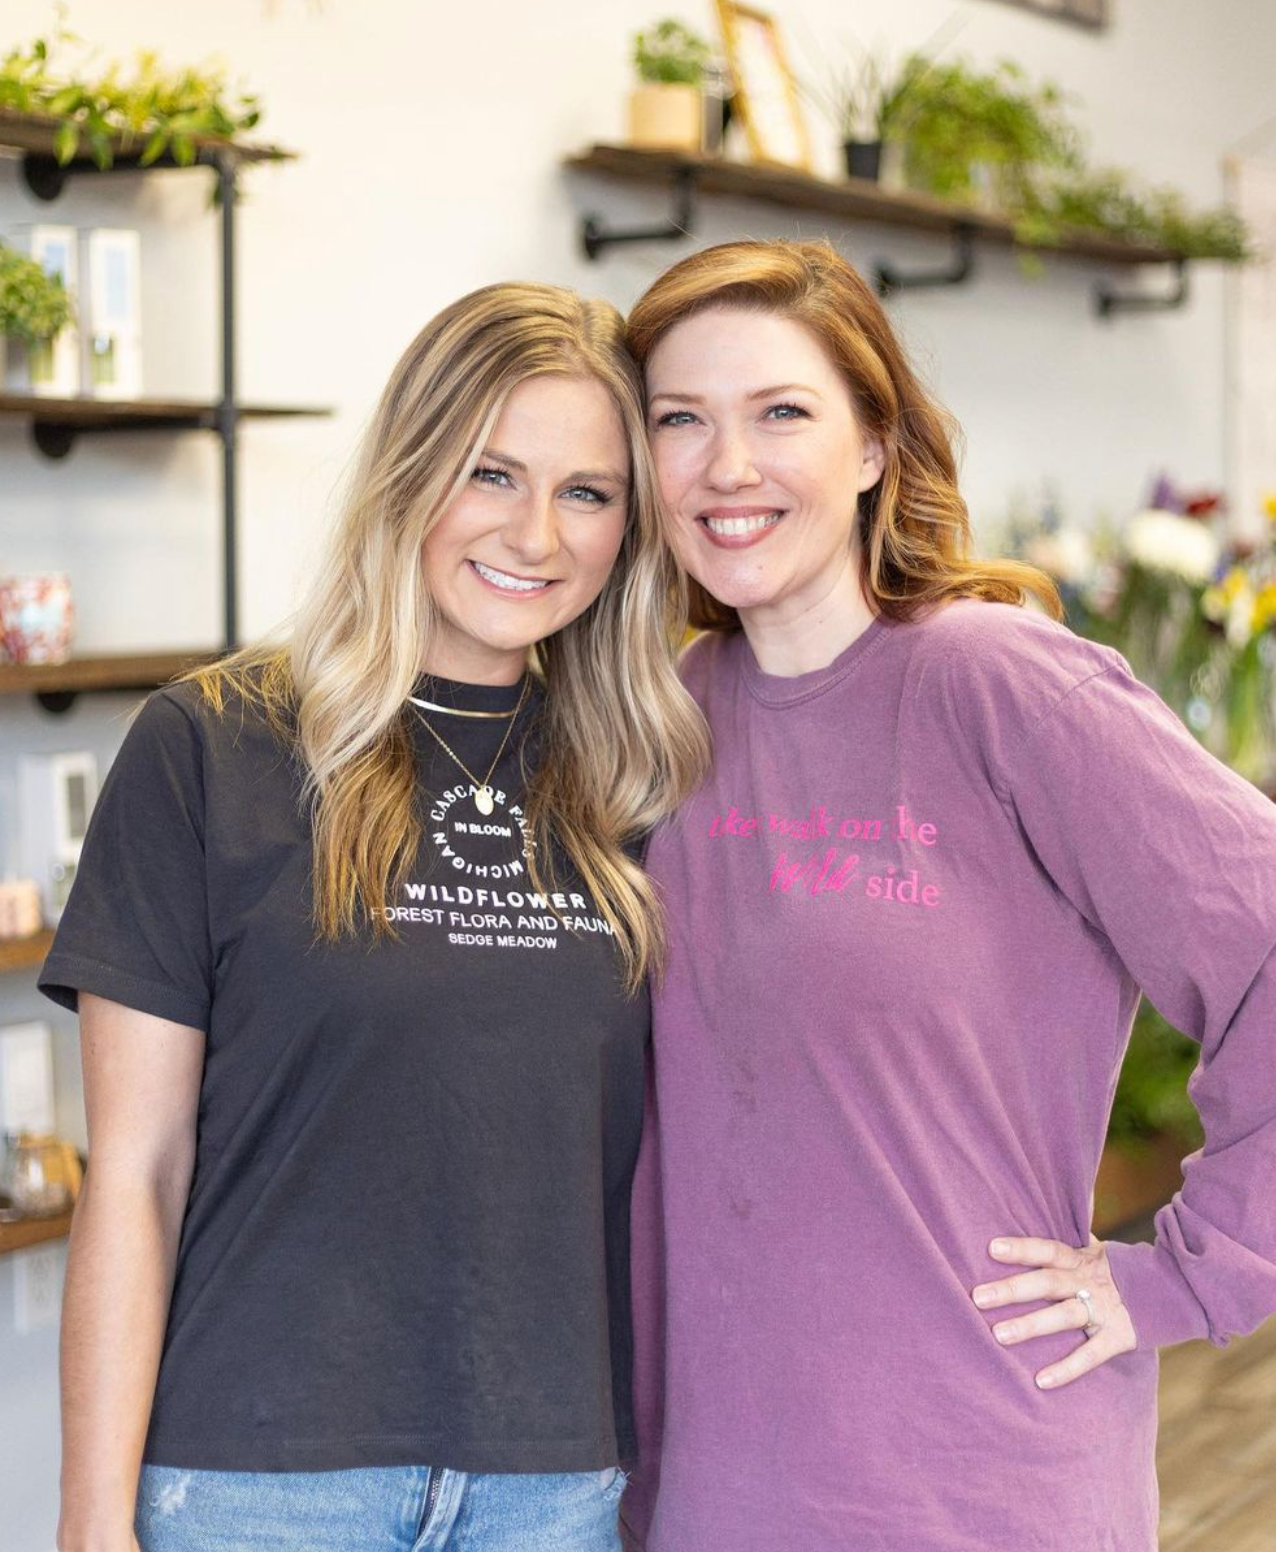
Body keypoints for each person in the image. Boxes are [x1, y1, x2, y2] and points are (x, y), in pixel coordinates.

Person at [618, 239, 1276, 1552]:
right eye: (679, 420)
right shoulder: (661, 723)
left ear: (874, 446)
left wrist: (1194, 1270)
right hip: (704, 1493)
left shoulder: (1001, 684)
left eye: (780, 413)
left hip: (971, 1485)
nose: (725, 465)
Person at [40, 280, 708, 1552]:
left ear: (630, 526)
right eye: (490, 473)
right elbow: (136, 1171)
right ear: (410, 470)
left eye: (587, 492)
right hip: (259, 1481)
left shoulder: (639, 778)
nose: (536, 532)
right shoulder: (214, 745)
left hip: (552, 1484)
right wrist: (89, 1518)